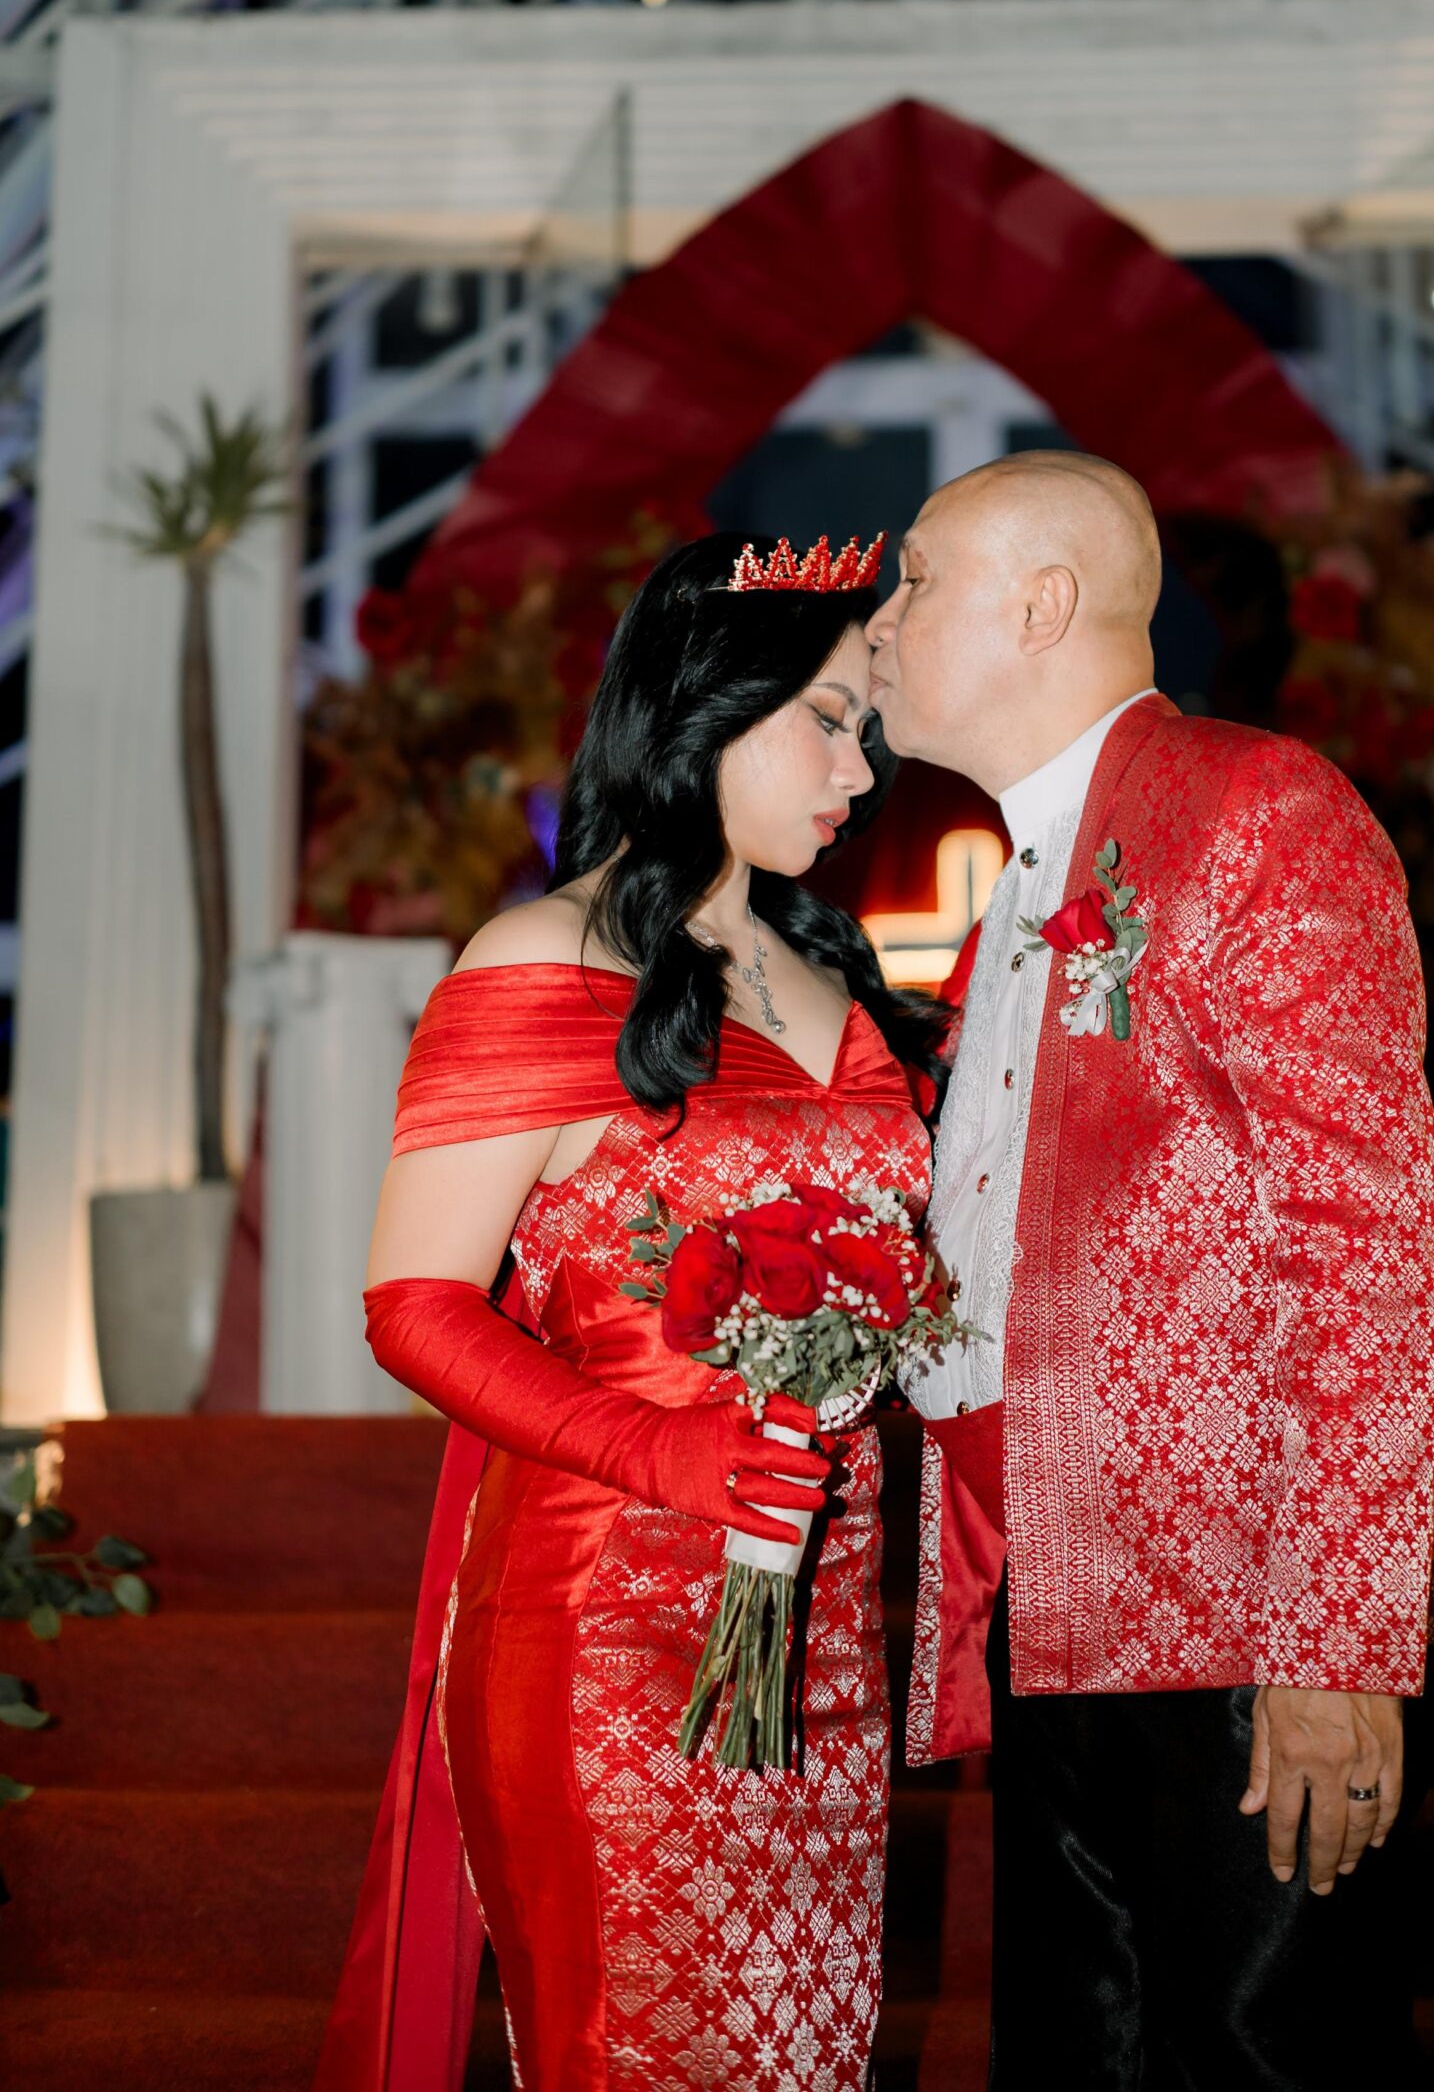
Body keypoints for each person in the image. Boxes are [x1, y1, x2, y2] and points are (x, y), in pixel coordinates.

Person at [868, 452, 1434, 2092]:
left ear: (1042, 605)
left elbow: (1368, 1241)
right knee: (1075, 2053)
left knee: (1261, 2058)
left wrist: (1335, 1645)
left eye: (915, 583)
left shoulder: (1258, 807)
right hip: (1047, 1575)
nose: (878, 628)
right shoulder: (1015, 877)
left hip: (1238, 1590)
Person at [315, 529, 948, 2092]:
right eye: (826, 719)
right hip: (603, 1618)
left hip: (819, 1630)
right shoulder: (543, 958)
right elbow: (413, 1307)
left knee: (809, 2057)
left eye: (867, 729)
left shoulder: (833, 972)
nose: (859, 772)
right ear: (699, 707)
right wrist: (665, 1455)